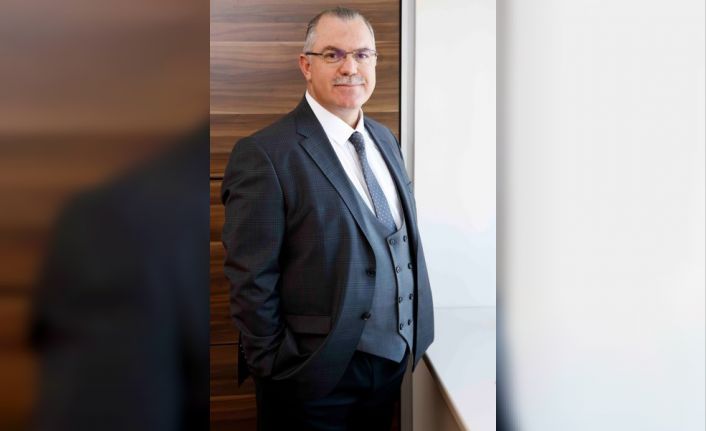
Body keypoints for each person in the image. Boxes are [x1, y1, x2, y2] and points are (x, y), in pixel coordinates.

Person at [221, 7, 434, 430]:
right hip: (309, 378)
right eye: (333, 54)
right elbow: (251, 277)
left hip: (390, 366)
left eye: (362, 54)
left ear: (375, 62)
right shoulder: (265, 154)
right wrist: (276, 365)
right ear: (306, 65)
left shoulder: (385, 140)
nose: (350, 67)